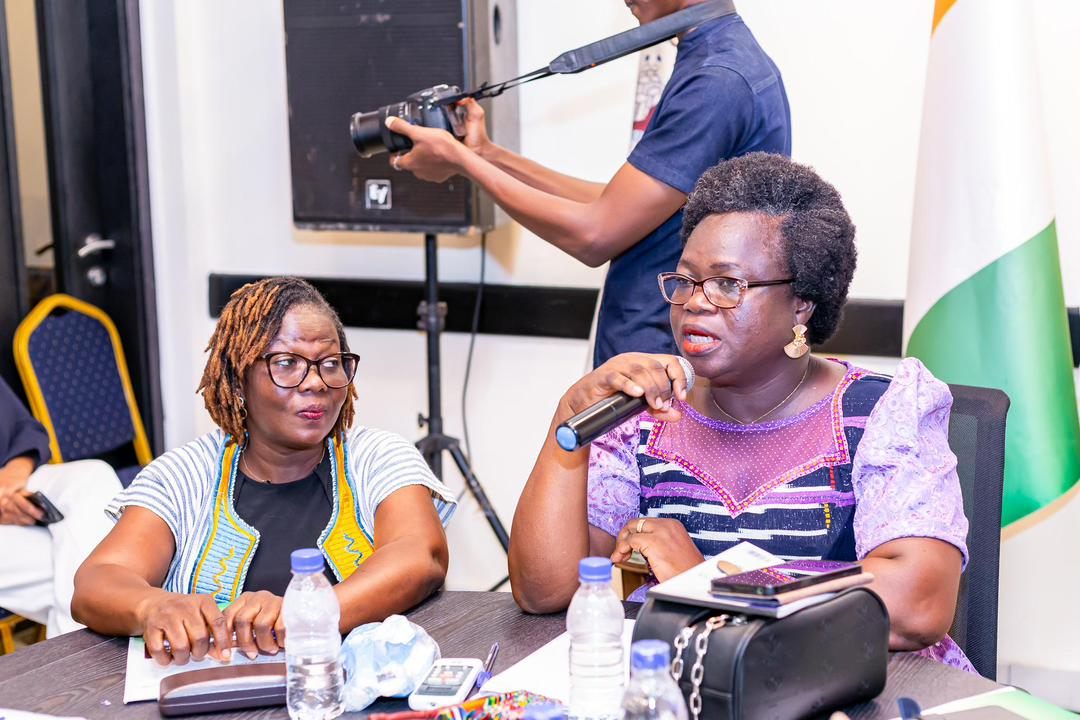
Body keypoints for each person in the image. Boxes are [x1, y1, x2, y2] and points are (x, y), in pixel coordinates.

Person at [507, 153, 973, 671]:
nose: (694, 302)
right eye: (686, 280)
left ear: (801, 303)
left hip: (858, 689)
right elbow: (544, 591)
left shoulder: (883, 412)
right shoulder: (644, 417)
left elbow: (917, 605)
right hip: (689, 686)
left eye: (728, 284)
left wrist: (710, 583)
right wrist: (569, 415)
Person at [72, 277, 457, 665]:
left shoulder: (375, 457)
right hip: (214, 692)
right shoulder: (185, 475)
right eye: (287, 364)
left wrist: (304, 615)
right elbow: (98, 579)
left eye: (330, 364)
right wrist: (152, 606)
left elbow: (420, 555)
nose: (315, 383)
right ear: (239, 379)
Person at [388, 0, 790, 367]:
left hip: (664, 363)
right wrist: (485, 155)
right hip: (655, 351)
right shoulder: (715, 59)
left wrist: (459, 161)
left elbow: (593, 235)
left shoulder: (717, 80)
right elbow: (614, 207)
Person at [0, 376, 122, 637]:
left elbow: (26, 429)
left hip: (9, 477)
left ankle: (79, 659)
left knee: (93, 476)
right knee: (92, 577)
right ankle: (91, 653)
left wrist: (11, 477)